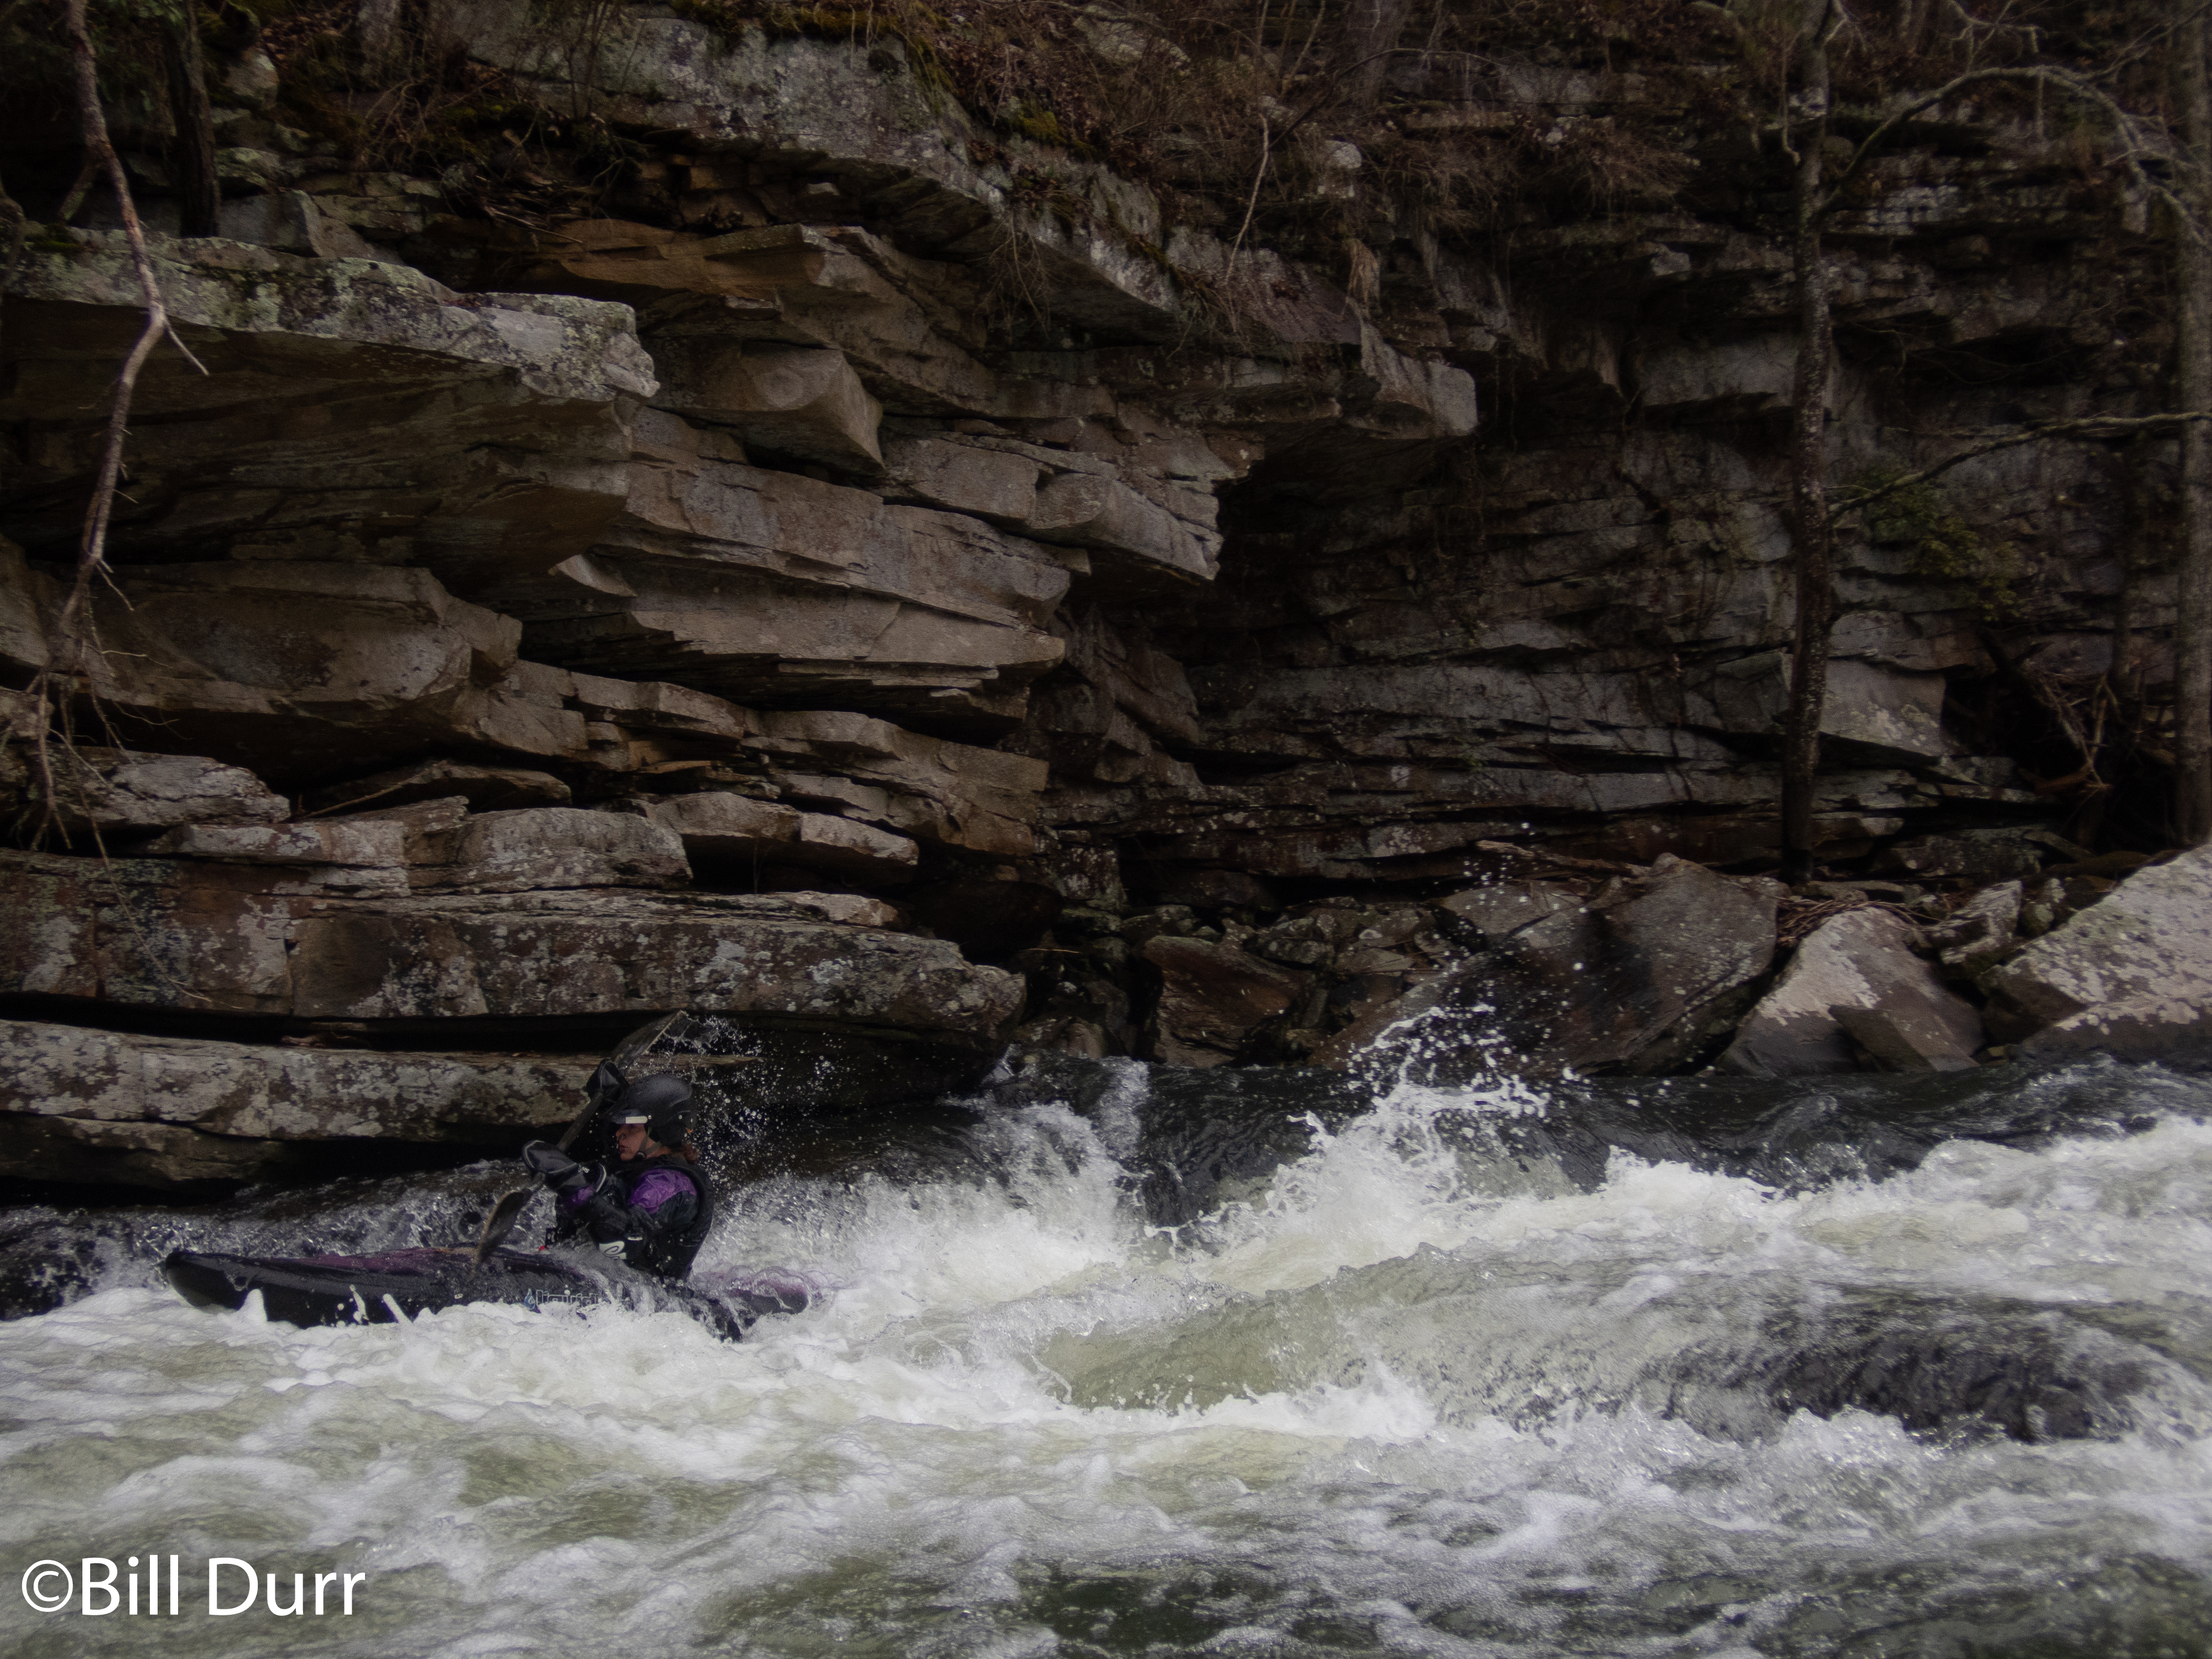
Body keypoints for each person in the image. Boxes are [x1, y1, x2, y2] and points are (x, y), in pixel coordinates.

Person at [520, 1072, 716, 1282]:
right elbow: (612, 1156)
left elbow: (628, 1238)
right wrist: (613, 1097)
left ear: (661, 1133)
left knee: (595, 1189)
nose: (619, 1133)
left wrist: (572, 1185)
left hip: (645, 1292)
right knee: (599, 1180)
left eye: (631, 1126)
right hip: (609, 1277)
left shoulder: (666, 1185)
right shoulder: (642, 1161)